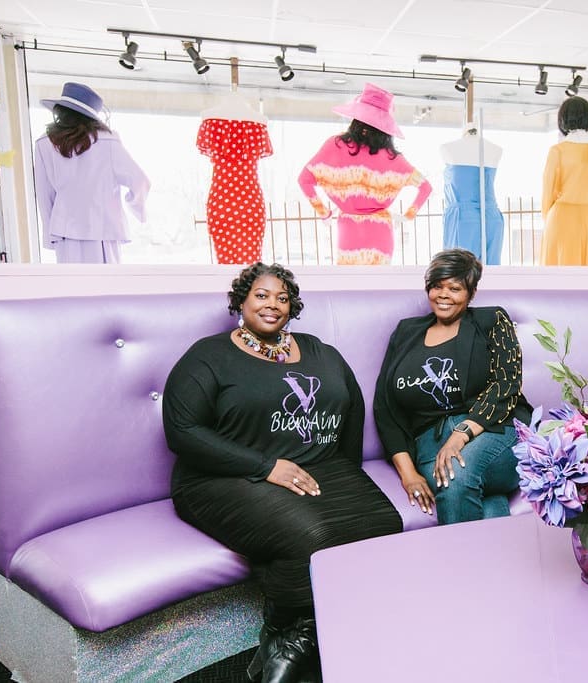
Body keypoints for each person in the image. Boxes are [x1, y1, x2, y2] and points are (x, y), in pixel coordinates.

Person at [163, 262, 402, 683]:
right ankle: (291, 635)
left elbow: (352, 408)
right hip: (220, 479)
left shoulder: (318, 350)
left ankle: (291, 636)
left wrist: (342, 473)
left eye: (282, 297)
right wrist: (265, 466)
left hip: (316, 468)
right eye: (261, 295)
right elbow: (182, 432)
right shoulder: (209, 355)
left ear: (292, 307)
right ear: (240, 301)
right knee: (310, 536)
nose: (272, 304)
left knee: (383, 522)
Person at [373, 248, 532, 524]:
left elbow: (506, 385)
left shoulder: (491, 320)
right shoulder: (406, 332)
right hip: (429, 446)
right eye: (436, 286)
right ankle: (496, 564)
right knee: (483, 499)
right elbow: (385, 407)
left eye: (455, 288)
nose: (443, 294)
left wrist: (459, 436)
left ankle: (456, 567)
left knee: (455, 474)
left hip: (495, 433)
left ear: (471, 293)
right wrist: (408, 474)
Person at [298, 83, 432, 265]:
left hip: (348, 228)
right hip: (381, 230)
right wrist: (407, 215)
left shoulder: (335, 145)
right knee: (379, 286)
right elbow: (425, 188)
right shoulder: (393, 157)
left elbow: (304, 180)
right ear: (385, 126)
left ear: (356, 118)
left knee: (349, 285)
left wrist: (325, 213)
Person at [33, 82, 150, 263]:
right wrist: (136, 207)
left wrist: (50, 234)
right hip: (104, 229)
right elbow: (140, 181)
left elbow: (44, 194)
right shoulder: (109, 141)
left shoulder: (44, 143)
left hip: (65, 232)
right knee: (107, 287)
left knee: (74, 288)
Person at [197, 92, 273, 264]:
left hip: (223, 198)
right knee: (247, 268)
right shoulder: (257, 124)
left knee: (239, 267)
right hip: (248, 199)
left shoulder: (211, 122)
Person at [540, 96, 588, 266]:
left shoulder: (558, 150)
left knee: (558, 273)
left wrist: (548, 217)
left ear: (563, 118)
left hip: (560, 216)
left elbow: (547, 191)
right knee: (586, 273)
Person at [440, 128, 505, 265]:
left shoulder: (448, 148)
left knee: (459, 273)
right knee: (491, 274)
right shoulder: (495, 149)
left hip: (463, 218)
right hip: (492, 217)